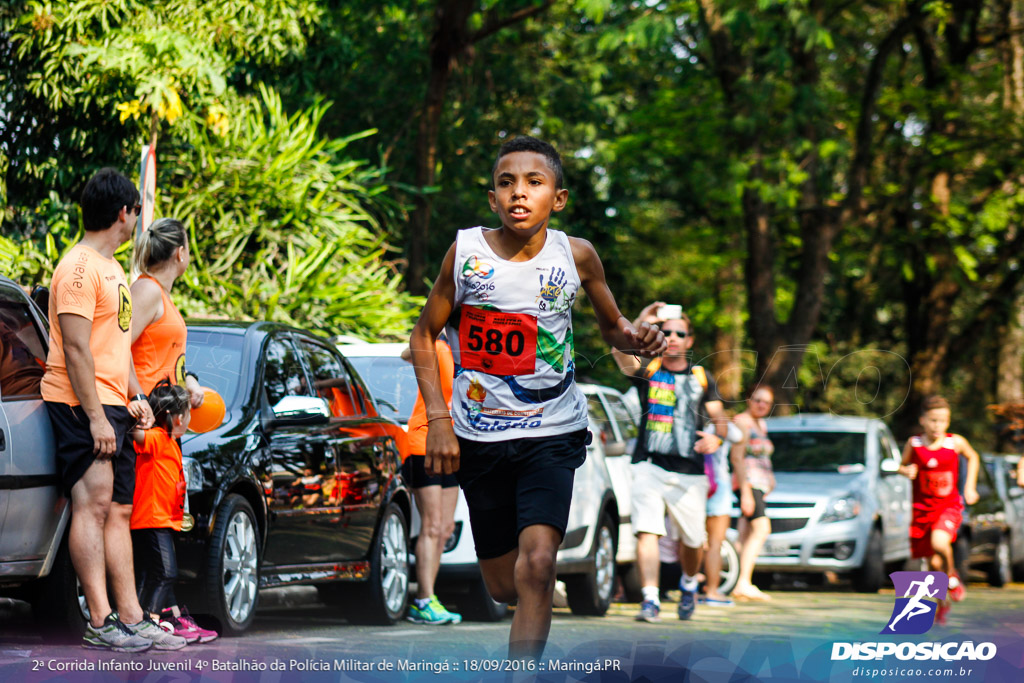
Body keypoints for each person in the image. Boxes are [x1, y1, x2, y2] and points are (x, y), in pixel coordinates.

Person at [409, 136, 665, 660]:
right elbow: (422, 336)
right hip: (479, 433)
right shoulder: (466, 253)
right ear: (492, 198)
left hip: (552, 429)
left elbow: (612, 326)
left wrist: (636, 337)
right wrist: (438, 418)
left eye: (534, 182)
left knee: (540, 565)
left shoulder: (576, 256)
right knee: (506, 584)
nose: (519, 194)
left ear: (559, 198)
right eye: (507, 183)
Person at [40, 168, 182, 651]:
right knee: (94, 504)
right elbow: (77, 349)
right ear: (124, 212)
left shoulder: (115, 271)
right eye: (137, 212)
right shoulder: (78, 267)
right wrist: (98, 416)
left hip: (115, 402)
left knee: (118, 510)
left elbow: (115, 347)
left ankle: (132, 616)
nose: (138, 222)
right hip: (81, 402)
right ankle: (100, 621)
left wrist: (135, 397)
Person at [612, 302, 729, 623]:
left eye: (680, 333)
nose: (673, 337)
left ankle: (689, 583)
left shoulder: (703, 378)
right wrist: (640, 322)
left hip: (690, 471)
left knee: (693, 541)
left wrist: (716, 439)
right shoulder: (649, 371)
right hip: (649, 464)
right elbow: (620, 352)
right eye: (666, 332)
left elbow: (721, 422)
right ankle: (650, 600)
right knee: (646, 531)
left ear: (690, 340)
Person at [130, 380, 218, 644]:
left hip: (163, 520)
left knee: (151, 573)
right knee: (166, 573)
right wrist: (137, 419)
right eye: (189, 415)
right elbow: (137, 437)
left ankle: (144, 620)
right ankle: (150, 621)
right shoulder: (157, 437)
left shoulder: (169, 441)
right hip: (152, 519)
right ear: (178, 418)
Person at [898, 395, 980, 624]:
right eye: (933, 420)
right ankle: (941, 604)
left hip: (949, 506)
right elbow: (902, 466)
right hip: (923, 509)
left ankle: (953, 578)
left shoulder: (955, 442)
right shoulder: (914, 444)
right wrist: (906, 471)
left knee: (939, 543)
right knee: (933, 564)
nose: (938, 426)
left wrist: (970, 487)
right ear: (922, 420)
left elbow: (973, 456)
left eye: (943, 420)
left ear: (949, 421)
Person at [402, 337, 462, 625]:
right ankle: (423, 600)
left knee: (446, 528)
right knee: (433, 524)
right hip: (422, 442)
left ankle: (431, 597)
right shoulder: (438, 348)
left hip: (450, 444)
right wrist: (434, 334)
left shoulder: (465, 353)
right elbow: (408, 352)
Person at [731, 385, 776, 602]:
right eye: (758, 400)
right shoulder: (742, 422)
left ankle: (736, 580)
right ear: (749, 400)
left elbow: (762, 457)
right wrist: (746, 491)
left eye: (766, 402)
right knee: (762, 528)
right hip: (747, 484)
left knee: (745, 533)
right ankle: (743, 582)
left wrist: (770, 479)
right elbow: (737, 458)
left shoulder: (761, 424)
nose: (761, 405)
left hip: (760, 484)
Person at [701, 420, 748, 606]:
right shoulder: (721, 424)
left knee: (691, 540)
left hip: (691, 481)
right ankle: (712, 591)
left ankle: (689, 588)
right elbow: (739, 436)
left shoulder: (684, 418)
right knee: (715, 542)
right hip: (717, 483)